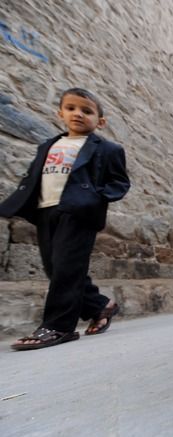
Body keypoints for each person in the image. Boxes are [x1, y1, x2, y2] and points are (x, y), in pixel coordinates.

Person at [0, 88, 130, 350]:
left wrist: (93, 197)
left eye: (87, 111)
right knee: (56, 269)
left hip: (79, 213)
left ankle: (58, 326)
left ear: (100, 121)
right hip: (46, 210)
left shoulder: (107, 149)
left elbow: (119, 182)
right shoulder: (48, 145)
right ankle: (100, 305)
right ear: (60, 113)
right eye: (71, 108)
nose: (78, 114)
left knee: (67, 268)